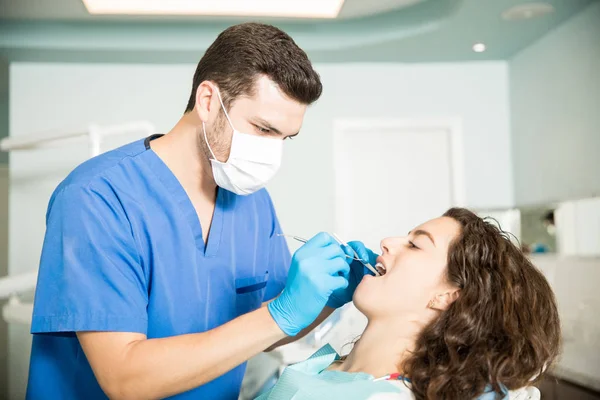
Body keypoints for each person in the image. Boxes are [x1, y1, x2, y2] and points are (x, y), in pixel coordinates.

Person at [26, 23, 368, 399]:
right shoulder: (97, 197)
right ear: (208, 101)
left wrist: (327, 298)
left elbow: (269, 329)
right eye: (263, 129)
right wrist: (279, 314)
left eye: (285, 138)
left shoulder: (252, 203)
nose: (273, 153)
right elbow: (124, 379)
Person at [257, 208, 562, 400]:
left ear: (447, 296)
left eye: (415, 244)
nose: (386, 242)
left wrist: (280, 316)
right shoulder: (329, 365)